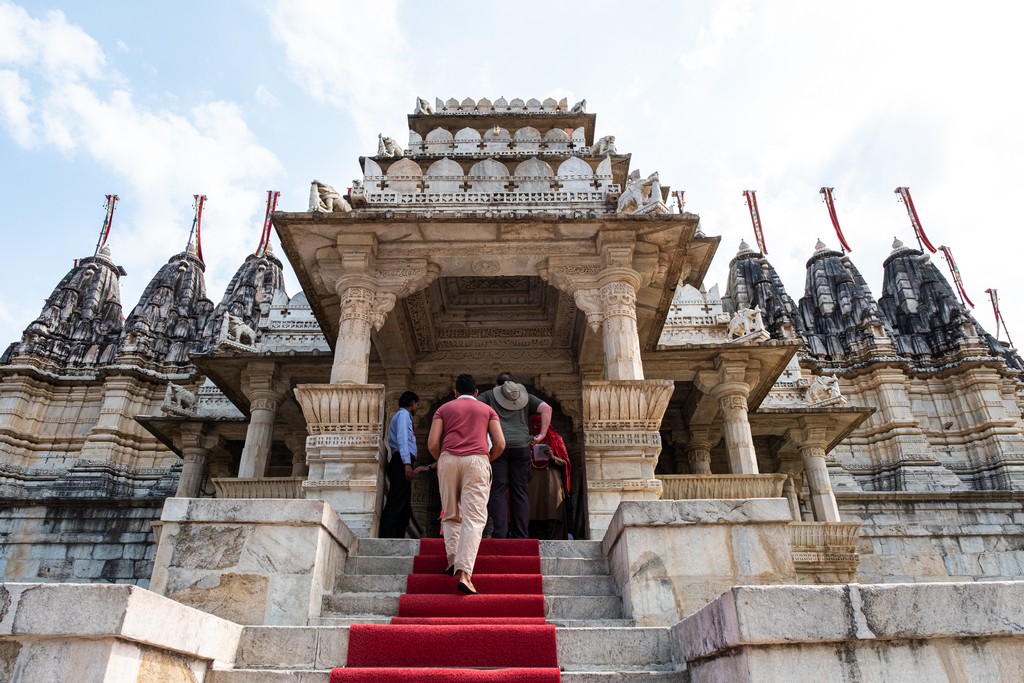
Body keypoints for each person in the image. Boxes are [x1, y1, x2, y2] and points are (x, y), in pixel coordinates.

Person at [427, 374, 505, 595]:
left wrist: (442, 457)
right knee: (474, 518)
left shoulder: (444, 409)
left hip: (448, 459)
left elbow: (433, 443)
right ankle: (464, 573)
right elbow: (499, 443)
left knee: (451, 514)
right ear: (477, 392)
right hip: (477, 460)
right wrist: (486, 457)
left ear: (455, 392)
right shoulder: (487, 410)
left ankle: (453, 559)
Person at [477, 372, 552, 539]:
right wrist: (541, 435)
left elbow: (474, 407)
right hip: (522, 447)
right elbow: (547, 408)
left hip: (498, 446)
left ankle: (499, 534)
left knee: (498, 490)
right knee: (520, 491)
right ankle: (521, 535)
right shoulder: (524, 396)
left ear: (497, 386)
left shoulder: (489, 395)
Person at [379, 391, 421, 538]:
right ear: (411, 403)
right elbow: (403, 439)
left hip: (402, 460)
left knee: (403, 504)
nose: (417, 408)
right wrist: (407, 463)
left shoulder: (402, 416)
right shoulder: (403, 416)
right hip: (401, 461)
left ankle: (396, 536)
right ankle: (387, 535)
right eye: (416, 404)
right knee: (396, 501)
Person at [527, 415, 571, 540]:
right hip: (534, 483)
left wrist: (552, 457)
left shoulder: (556, 439)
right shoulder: (529, 441)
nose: (536, 428)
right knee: (534, 516)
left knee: (553, 514)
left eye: (539, 425)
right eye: (534, 426)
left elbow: (565, 463)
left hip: (552, 482)